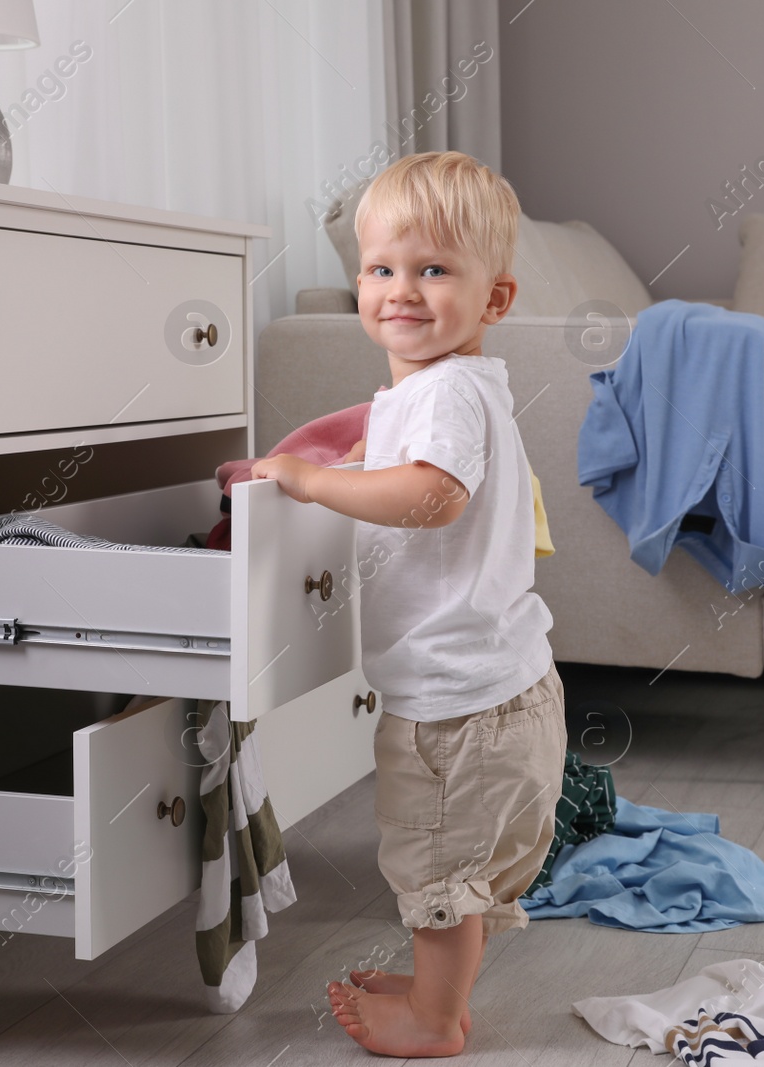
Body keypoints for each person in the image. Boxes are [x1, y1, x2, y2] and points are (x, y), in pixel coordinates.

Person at [251, 150, 565, 1057]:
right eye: (385, 268)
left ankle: (436, 1019)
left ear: (493, 300)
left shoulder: (442, 394)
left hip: (454, 705)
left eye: (435, 270)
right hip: (505, 683)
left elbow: (432, 496)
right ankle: (445, 990)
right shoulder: (456, 388)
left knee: (436, 865)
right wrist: (350, 469)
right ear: (359, 282)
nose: (404, 291)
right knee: (460, 865)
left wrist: (312, 482)